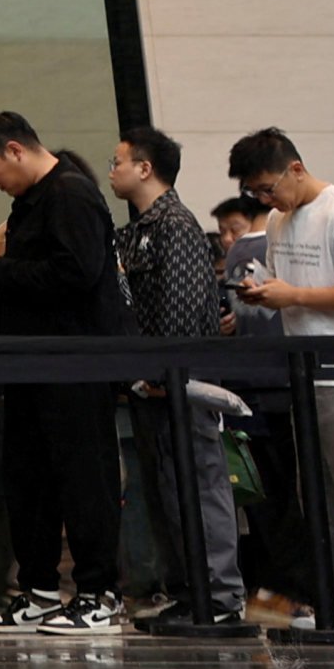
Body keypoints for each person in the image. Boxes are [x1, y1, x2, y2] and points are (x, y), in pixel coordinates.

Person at [0, 111, 134, 631]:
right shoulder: (27, 203)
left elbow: (78, 271)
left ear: (16, 149)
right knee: (28, 479)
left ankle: (100, 590)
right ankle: (36, 588)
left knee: (83, 480)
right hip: (31, 362)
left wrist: (2, 271)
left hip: (75, 361)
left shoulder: (71, 193)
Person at [229, 127, 334, 633]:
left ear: (296, 169)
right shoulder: (282, 220)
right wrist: (266, 294)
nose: (265, 200)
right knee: (320, 493)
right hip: (309, 373)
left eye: (267, 188)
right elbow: (296, 288)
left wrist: (294, 298)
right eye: (255, 194)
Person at [109, 126, 246, 624]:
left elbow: (186, 305)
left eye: (118, 161)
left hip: (178, 382)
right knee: (167, 488)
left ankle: (221, 597)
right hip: (149, 381)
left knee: (199, 482)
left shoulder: (175, 224)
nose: (112, 171)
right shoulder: (139, 227)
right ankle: (189, 591)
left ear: (145, 168)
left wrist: (171, 370)